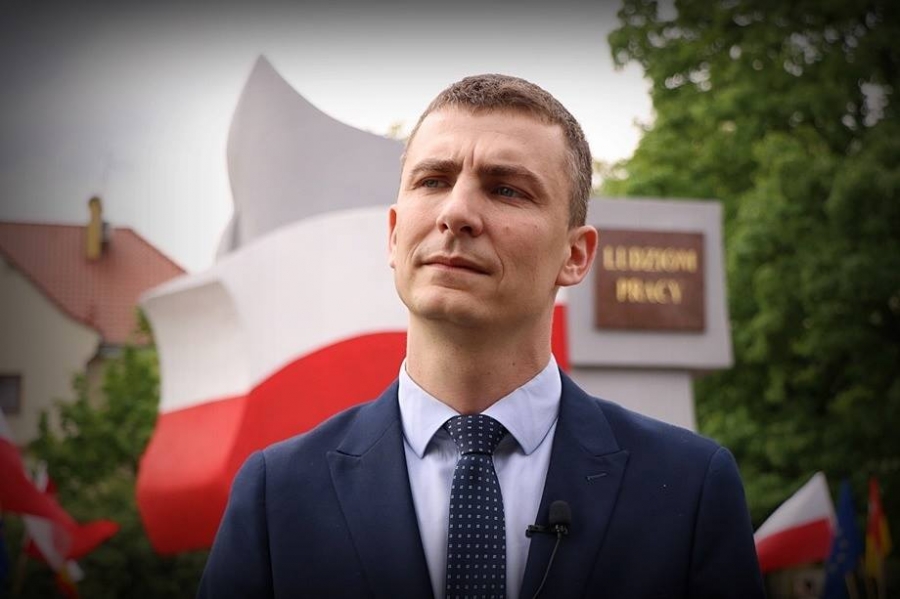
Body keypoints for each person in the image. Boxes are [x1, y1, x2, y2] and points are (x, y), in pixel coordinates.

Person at [197, 74, 765, 599]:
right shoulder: (277, 494)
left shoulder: (689, 487)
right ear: (394, 236)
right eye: (433, 181)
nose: (457, 213)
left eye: (506, 190)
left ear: (575, 255)